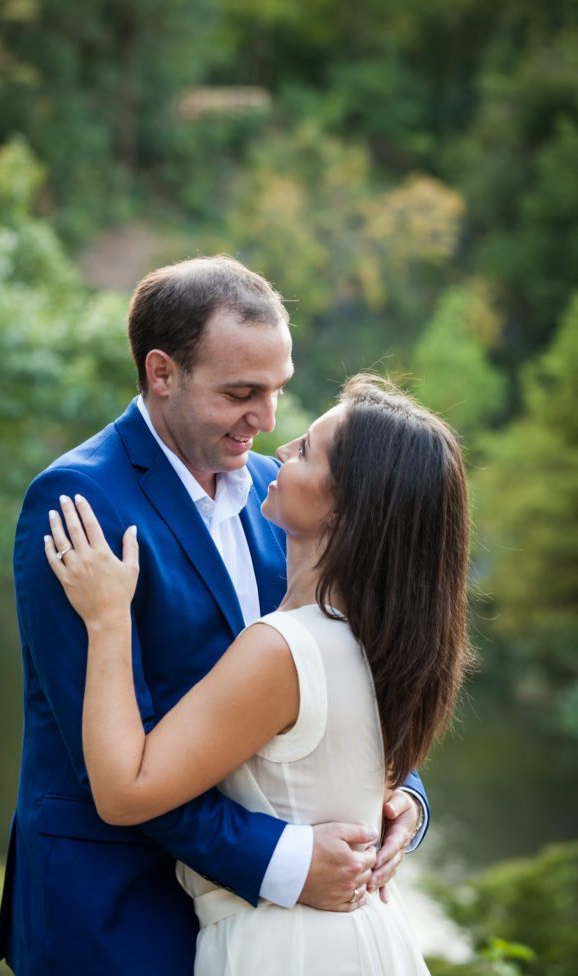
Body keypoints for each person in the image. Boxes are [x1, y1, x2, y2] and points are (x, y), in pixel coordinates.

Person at [0, 256, 428, 976]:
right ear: (162, 373)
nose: (266, 420)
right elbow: (112, 758)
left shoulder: (283, 490)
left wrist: (399, 794)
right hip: (118, 904)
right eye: (240, 393)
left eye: (277, 390)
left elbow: (350, 666)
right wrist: (284, 862)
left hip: (263, 919)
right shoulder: (77, 501)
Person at [45, 373, 471, 974]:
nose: (277, 446)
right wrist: (400, 801)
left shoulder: (282, 647)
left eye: (304, 450)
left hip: (287, 946)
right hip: (362, 935)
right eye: (242, 392)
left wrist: (109, 618)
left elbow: (124, 790)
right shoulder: (382, 633)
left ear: (345, 507)